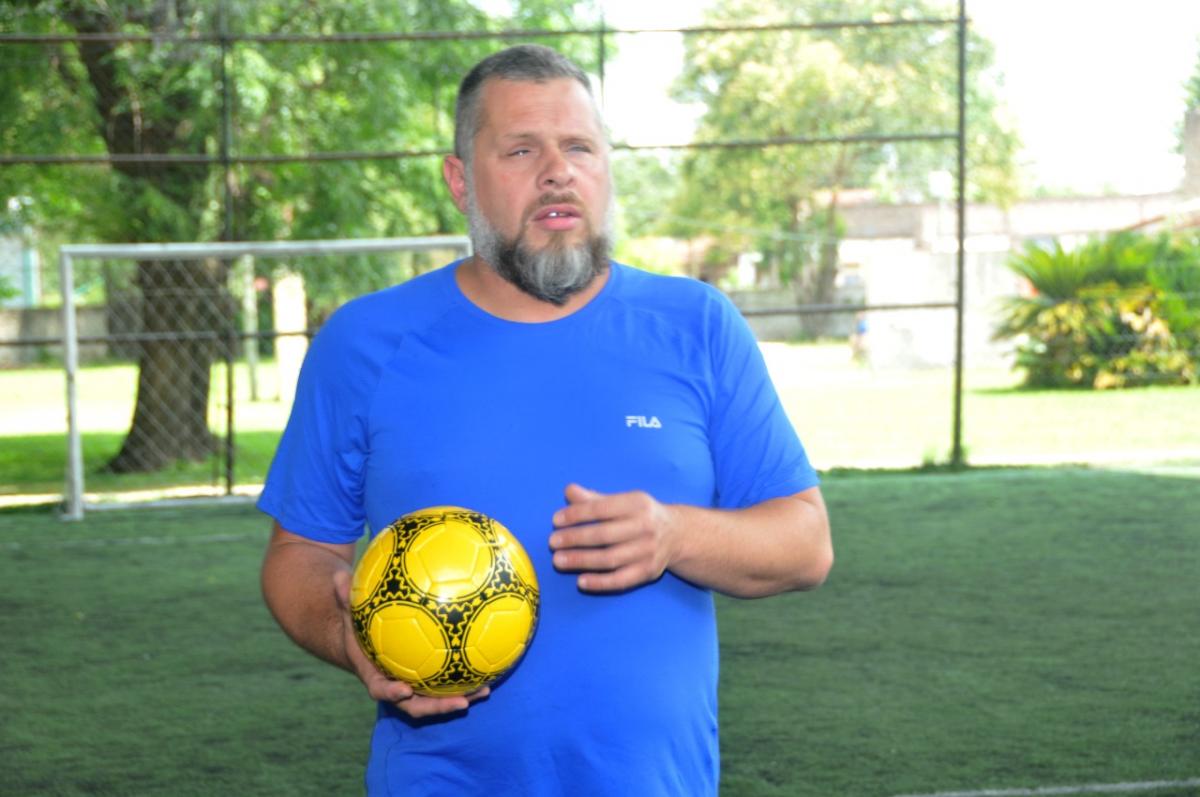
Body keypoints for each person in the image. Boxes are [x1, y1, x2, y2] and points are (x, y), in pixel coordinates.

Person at [258, 44, 833, 796]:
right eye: (522, 149)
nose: (557, 170)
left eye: (579, 148)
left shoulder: (696, 324)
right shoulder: (366, 343)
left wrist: (675, 533)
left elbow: (806, 542)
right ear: (460, 181)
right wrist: (349, 636)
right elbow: (298, 553)